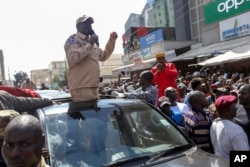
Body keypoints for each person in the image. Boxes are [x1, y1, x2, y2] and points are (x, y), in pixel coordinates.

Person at [64, 14, 118, 103]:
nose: (88, 26)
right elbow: (72, 58)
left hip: (94, 87)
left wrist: (111, 41)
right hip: (81, 87)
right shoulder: (73, 40)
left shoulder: (91, 42)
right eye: (85, 23)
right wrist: (90, 44)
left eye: (90, 24)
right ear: (78, 26)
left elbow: (103, 56)